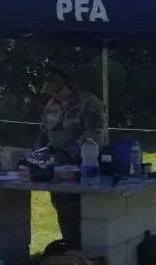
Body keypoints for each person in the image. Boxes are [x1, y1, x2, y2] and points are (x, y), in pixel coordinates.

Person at [31, 68, 106, 249]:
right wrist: (37, 156)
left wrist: (68, 152)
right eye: (51, 92)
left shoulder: (90, 103)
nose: (55, 95)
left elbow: (93, 135)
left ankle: (85, 249)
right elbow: (43, 133)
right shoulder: (51, 105)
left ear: (70, 85)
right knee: (62, 206)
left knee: (80, 208)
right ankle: (70, 245)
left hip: (84, 165)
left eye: (58, 90)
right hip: (57, 167)